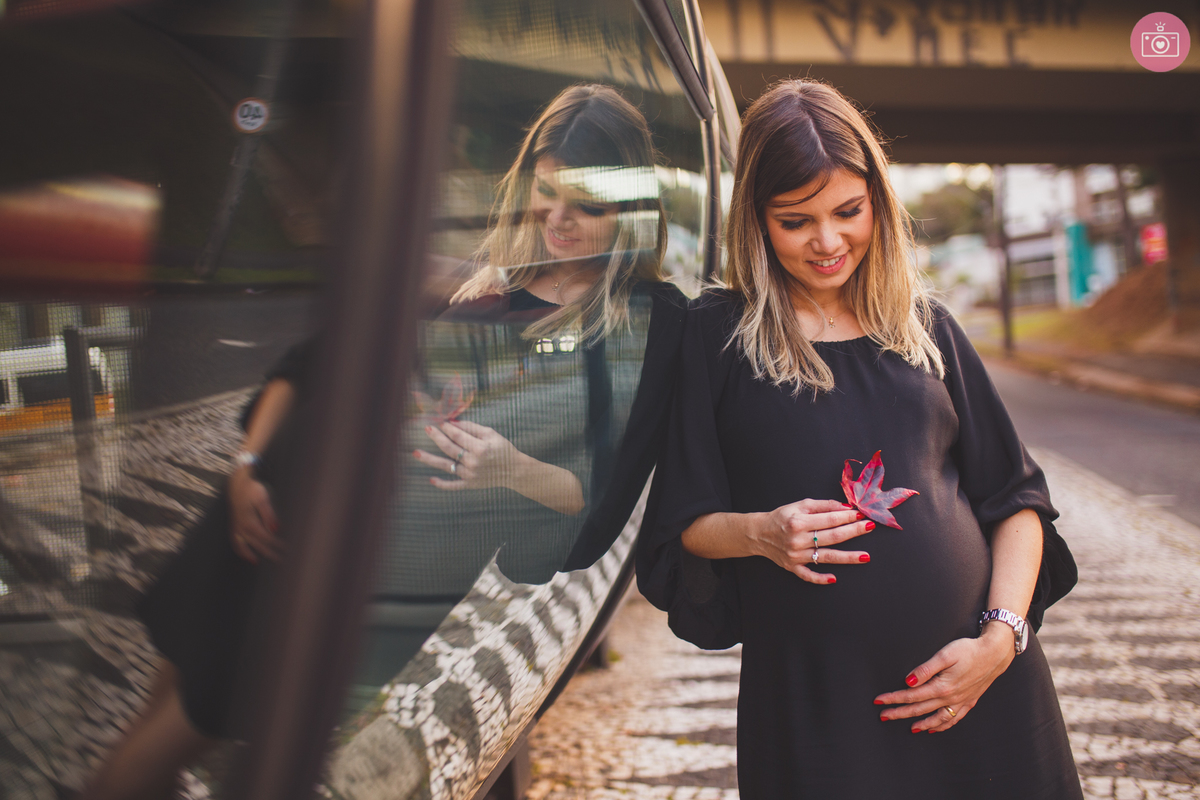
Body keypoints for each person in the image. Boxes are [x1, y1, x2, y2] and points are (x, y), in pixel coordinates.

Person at [82, 84, 685, 799]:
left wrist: (510, 467)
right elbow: (311, 363)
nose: (557, 219)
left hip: (373, 564)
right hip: (280, 500)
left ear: (634, 207)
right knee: (171, 716)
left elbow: (601, 502)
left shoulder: (647, 326)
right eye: (545, 192)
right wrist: (245, 469)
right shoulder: (479, 286)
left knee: (200, 727)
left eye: (586, 205)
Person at [637, 79, 1081, 799]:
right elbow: (680, 526)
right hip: (819, 707)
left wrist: (1000, 642)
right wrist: (759, 533)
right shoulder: (712, 335)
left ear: (878, 199)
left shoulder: (925, 326)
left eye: (848, 211)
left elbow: (1017, 501)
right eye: (795, 220)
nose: (828, 241)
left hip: (982, 687)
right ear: (754, 218)